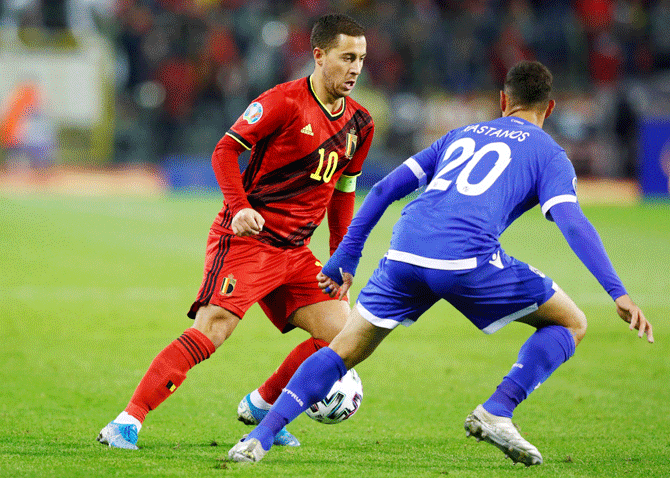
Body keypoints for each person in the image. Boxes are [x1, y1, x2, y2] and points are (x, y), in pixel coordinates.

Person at [227, 60, 654, 466]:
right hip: (466, 258)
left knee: (343, 352)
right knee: (571, 323)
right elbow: (571, 221)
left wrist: (347, 254)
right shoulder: (549, 153)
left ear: (503, 101)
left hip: (405, 250)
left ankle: (257, 439)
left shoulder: (460, 135)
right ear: (551, 108)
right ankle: (496, 410)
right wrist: (617, 291)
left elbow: (381, 191)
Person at [97, 13, 374, 450]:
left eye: (360, 58)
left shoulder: (361, 123)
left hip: (297, 252)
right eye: (346, 57)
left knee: (342, 337)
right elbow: (225, 150)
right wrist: (240, 206)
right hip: (248, 240)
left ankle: (264, 407)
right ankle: (127, 421)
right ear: (319, 56)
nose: (355, 68)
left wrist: (340, 258)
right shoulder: (282, 102)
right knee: (214, 330)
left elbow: (343, 192)